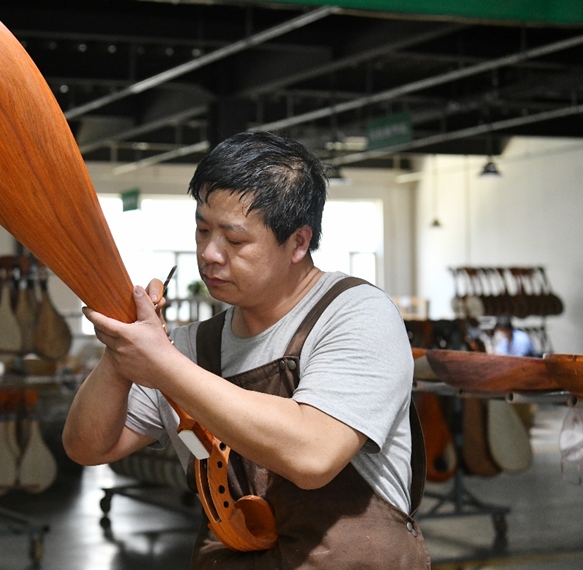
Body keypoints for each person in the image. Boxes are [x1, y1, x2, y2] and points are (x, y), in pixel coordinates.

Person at [62, 131, 430, 568]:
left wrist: (161, 364)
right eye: (202, 230)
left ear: (297, 242)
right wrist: (121, 349)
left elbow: (314, 454)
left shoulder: (355, 314)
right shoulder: (189, 347)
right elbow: (87, 447)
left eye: (234, 241)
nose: (209, 253)